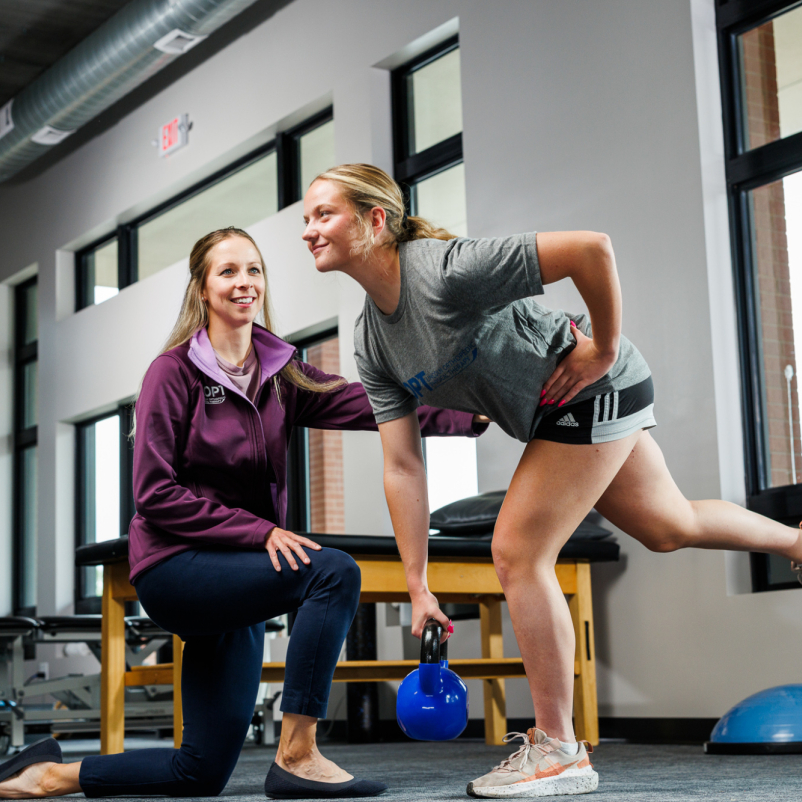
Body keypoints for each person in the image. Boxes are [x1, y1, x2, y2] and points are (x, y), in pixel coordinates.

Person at [300, 164, 802, 799]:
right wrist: (418, 584)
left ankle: (559, 749)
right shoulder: (372, 341)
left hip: (594, 387)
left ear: (376, 220)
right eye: (306, 219)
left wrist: (603, 347)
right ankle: (796, 541)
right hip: (559, 411)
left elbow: (591, 249)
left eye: (324, 214)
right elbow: (403, 464)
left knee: (517, 551)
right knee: (668, 526)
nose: (309, 230)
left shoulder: (445, 271)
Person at [0, 227, 487, 800]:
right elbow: (154, 494)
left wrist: (473, 413)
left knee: (200, 772)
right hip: (176, 566)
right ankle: (298, 753)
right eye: (228, 271)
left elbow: (372, 406)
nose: (244, 282)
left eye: (253, 269)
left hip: (238, 572)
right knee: (333, 572)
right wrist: (260, 531)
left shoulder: (282, 372)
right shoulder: (173, 373)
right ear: (202, 289)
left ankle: (47, 776)